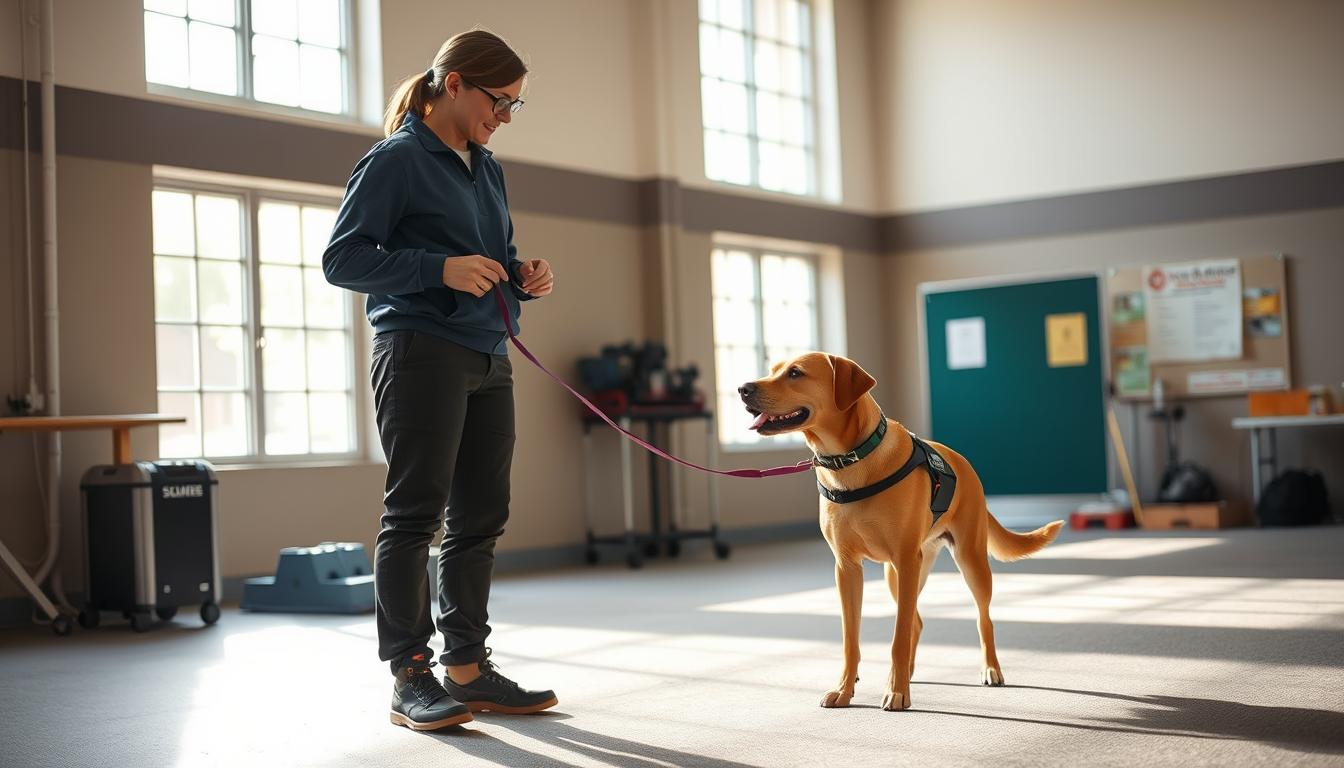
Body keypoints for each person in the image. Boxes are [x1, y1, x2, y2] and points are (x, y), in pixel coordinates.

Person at [323, 29, 557, 731]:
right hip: (419, 349)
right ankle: (410, 676)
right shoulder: (395, 160)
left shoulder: (486, 167)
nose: (504, 118)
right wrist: (437, 269)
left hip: (488, 355)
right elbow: (344, 259)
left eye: (516, 107)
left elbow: (495, 253)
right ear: (454, 82)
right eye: (499, 101)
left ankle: (466, 667)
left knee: (481, 517)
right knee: (415, 515)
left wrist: (523, 277)